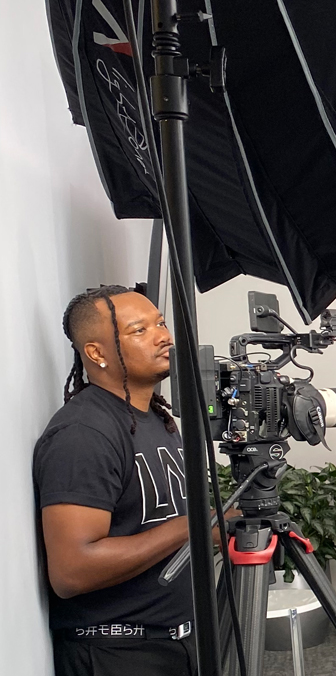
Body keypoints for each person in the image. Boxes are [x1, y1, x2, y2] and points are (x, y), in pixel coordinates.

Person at [34, 285, 199, 676]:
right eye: (139, 330)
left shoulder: (156, 418)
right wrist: (193, 526)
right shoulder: (84, 433)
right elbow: (72, 570)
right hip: (118, 653)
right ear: (96, 353)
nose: (164, 336)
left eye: (160, 324)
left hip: (172, 644)